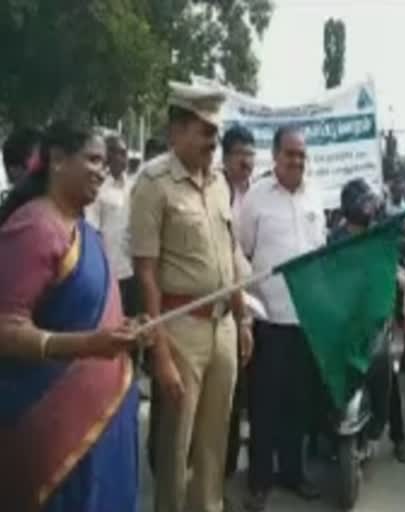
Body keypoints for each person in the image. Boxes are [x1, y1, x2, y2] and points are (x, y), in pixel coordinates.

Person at [0, 120, 142, 511]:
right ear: (58, 160)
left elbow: (89, 315)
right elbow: (6, 328)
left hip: (106, 419)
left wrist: (123, 330)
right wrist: (87, 345)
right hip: (54, 427)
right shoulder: (34, 227)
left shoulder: (83, 230)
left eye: (103, 160)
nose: (102, 168)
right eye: (93, 159)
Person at [131, 82, 253, 512]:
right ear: (177, 130)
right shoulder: (152, 183)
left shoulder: (219, 183)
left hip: (222, 325)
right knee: (175, 444)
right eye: (205, 132)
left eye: (216, 133)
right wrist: (159, 351)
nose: (213, 142)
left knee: (215, 441)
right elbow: (145, 272)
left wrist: (242, 320)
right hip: (178, 327)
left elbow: (230, 255)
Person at [237, 126, 326, 510]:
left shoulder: (315, 195)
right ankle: (260, 480)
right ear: (275, 157)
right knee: (265, 403)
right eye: (290, 154)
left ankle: (293, 473)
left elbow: (319, 248)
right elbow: (240, 252)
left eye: (302, 155)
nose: (297, 161)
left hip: (305, 320)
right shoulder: (256, 199)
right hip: (268, 320)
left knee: (299, 403)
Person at [330, 178, 405, 462]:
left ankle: (398, 437)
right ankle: (324, 437)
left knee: (389, 376)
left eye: (370, 202)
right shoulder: (334, 239)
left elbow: (392, 261)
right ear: (349, 206)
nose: (369, 208)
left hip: (376, 317)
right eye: (363, 202)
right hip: (345, 320)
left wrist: (398, 274)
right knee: (330, 376)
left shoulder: (379, 234)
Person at [220, 124, 257, 479]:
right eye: (240, 153)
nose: (246, 160)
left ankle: (227, 468)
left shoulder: (258, 193)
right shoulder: (214, 191)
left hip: (251, 302)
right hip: (218, 302)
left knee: (242, 387)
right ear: (225, 156)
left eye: (251, 153)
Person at [86, 134, 139, 317]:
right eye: (119, 153)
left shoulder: (133, 186)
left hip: (131, 272)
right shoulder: (97, 189)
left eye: (125, 153)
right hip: (108, 274)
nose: (124, 158)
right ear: (108, 156)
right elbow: (92, 230)